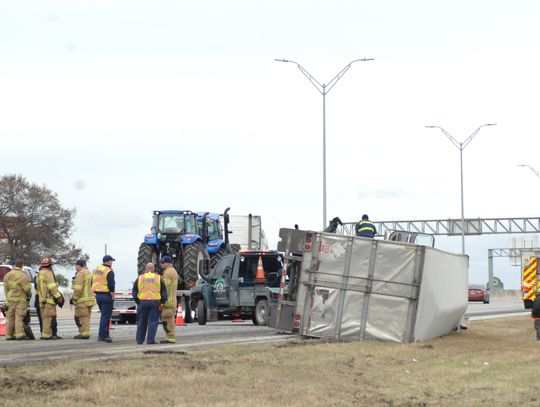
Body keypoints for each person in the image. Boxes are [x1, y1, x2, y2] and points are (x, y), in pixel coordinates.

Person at [132, 262, 167, 345]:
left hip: (142, 302)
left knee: (141, 322)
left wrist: (138, 301)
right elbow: (164, 292)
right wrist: (162, 302)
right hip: (154, 302)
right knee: (153, 322)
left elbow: (134, 291)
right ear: (154, 269)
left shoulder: (140, 278)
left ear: (145, 269)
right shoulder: (158, 278)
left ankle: (139, 341)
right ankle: (150, 340)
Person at [3, 259, 32, 340]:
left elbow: (6, 289)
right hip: (20, 301)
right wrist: (29, 295)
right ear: (22, 265)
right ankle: (20, 335)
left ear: (15, 265)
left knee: (10, 318)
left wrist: (8, 297)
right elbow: (28, 290)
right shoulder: (23, 276)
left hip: (10, 300)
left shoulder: (8, 275)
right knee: (19, 317)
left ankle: (9, 335)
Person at [36, 257, 64, 340]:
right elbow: (52, 287)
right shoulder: (48, 273)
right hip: (49, 300)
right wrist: (59, 297)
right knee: (49, 318)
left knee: (44, 318)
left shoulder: (39, 273)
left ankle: (46, 334)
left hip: (42, 300)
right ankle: (48, 335)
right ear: (50, 265)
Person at [92, 255, 116, 343]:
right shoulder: (109, 271)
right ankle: (103, 335)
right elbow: (111, 284)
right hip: (106, 295)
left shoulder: (97, 268)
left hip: (98, 295)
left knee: (103, 315)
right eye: (111, 261)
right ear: (107, 261)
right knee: (105, 316)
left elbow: (93, 280)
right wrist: (112, 294)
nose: (112, 262)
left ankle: (103, 334)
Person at [71, 259, 96, 339]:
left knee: (82, 317)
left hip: (82, 300)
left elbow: (78, 289)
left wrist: (74, 299)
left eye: (75, 266)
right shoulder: (89, 273)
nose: (75, 268)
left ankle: (84, 334)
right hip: (89, 300)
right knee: (86, 317)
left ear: (78, 265)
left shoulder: (80, 273)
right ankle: (86, 332)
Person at [159, 256, 179, 344]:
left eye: (162, 263)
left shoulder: (167, 273)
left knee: (167, 321)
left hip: (168, 302)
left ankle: (170, 338)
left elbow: (165, 289)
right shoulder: (173, 271)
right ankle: (170, 337)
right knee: (169, 320)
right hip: (172, 300)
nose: (161, 265)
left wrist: (162, 302)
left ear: (166, 263)